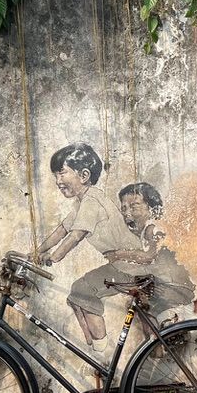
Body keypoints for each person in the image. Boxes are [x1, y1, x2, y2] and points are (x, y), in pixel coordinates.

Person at [36, 143, 141, 355]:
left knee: (83, 291)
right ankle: (98, 350)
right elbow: (62, 230)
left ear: (83, 175)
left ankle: (105, 355)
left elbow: (76, 235)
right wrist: (37, 251)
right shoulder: (83, 201)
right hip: (122, 264)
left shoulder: (92, 200)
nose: (58, 181)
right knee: (79, 292)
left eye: (62, 173)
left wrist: (53, 257)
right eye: (55, 175)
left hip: (130, 265)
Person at [103, 182, 196, 326]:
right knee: (139, 307)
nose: (127, 213)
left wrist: (118, 254)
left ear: (151, 208)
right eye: (124, 208)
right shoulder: (144, 232)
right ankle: (157, 343)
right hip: (166, 287)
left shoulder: (151, 229)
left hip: (174, 289)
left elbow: (149, 256)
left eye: (134, 207)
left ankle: (162, 341)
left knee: (142, 308)